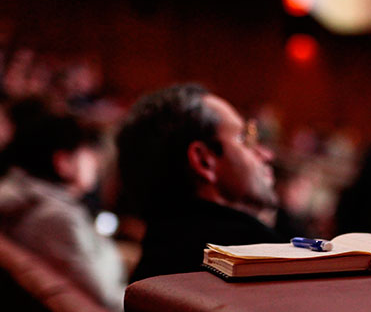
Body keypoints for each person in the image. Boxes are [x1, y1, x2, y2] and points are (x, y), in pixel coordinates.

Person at [117, 83, 283, 282]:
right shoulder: (256, 258)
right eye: (243, 138)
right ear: (204, 161)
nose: (266, 154)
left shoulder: (156, 259)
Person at [0, 112, 127, 312]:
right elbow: (106, 300)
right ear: (63, 162)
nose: (96, 162)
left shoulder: (31, 200)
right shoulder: (56, 220)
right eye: (87, 152)